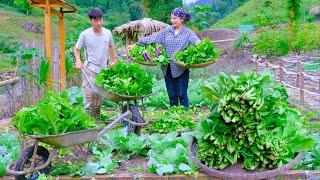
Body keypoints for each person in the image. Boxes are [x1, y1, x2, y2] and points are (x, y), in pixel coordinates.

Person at [130, 8, 200, 108]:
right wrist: (136, 44)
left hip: (181, 68)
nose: (172, 20)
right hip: (167, 68)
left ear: (182, 19)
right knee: (172, 96)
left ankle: (185, 116)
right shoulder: (167, 31)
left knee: (182, 95)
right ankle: (173, 115)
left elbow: (197, 42)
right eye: (171, 18)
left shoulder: (188, 33)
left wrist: (202, 47)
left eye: (175, 18)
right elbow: (152, 38)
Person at [74, 8, 117, 120]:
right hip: (89, 69)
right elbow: (76, 48)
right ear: (91, 20)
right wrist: (78, 60)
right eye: (96, 20)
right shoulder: (85, 34)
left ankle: (96, 122)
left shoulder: (107, 33)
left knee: (99, 99)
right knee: (89, 98)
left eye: (100, 20)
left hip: (103, 70)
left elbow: (111, 46)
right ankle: (88, 124)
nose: (99, 23)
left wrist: (113, 60)